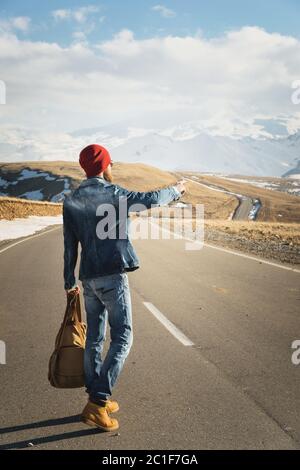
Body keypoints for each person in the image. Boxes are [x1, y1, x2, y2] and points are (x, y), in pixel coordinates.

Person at [63, 144, 186, 431]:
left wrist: (69, 281)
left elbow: (70, 246)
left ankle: (96, 396)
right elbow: (152, 198)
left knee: (94, 337)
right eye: (110, 163)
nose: (112, 167)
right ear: (103, 166)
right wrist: (177, 189)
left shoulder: (70, 200)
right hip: (113, 275)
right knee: (123, 337)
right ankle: (98, 401)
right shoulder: (115, 193)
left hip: (89, 279)